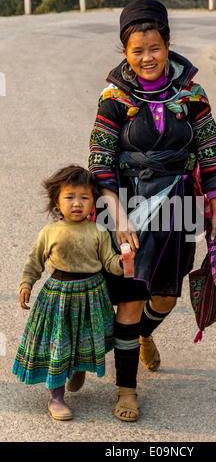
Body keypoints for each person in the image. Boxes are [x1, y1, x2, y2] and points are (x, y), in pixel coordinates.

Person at [88, 0, 216, 422]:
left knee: (166, 297)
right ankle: (126, 389)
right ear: (125, 52)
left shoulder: (192, 94)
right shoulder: (114, 96)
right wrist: (116, 211)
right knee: (131, 299)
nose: (147, 57)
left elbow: (209, 148)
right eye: (137, 50)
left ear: (167, 44)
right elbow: (99, 156)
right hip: (128, 202)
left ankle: (138, 336)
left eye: (155, 48)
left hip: (181, 204)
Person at [12, 165, 123, 421]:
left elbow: (109, 263)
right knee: (58, 346)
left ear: (94, 202)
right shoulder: (49, 232)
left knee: (83, 339)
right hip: (58, 297)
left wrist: (125, 262)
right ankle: (56, 397)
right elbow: (34, 261)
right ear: (56, 201)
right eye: (69, 197)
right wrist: (26, 284)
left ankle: (77, 368)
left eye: (84, 198)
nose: (77, 203)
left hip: (91, 296)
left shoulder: (99, 231)